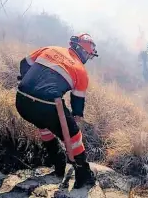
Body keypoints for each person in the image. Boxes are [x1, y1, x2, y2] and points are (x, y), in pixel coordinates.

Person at [14, 33, 98, 189]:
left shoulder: (50, 48)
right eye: (89, 55)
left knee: (44, 125)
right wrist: (75, 119)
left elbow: (24, 63)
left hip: (21, 101)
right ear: (84, 52)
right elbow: (77, 104)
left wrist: (25, 84)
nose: (88, 58)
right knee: (74, 135)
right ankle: (83, 175)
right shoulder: (80, 71)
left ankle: (59, 165)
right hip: (48, 105)